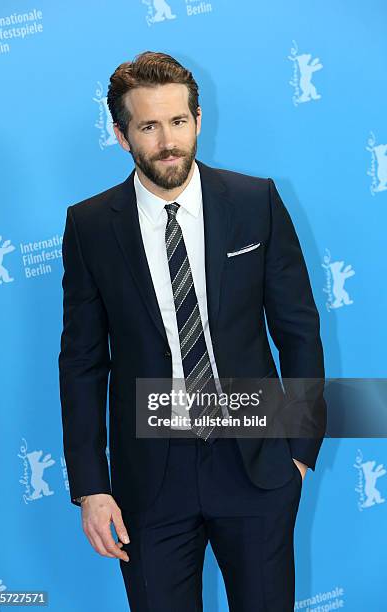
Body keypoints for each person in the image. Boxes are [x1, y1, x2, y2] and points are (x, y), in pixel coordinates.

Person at [58, 50, 327, 611]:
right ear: (121, 135)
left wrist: (297, 454)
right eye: (148, 126)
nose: (168, 141)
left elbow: (298, 330)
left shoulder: (255, 203)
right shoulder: (89, 226)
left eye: (178, 121)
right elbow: (82, 362)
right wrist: (93, 486)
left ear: (198, 120)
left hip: (255, 462)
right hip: (149, 478)